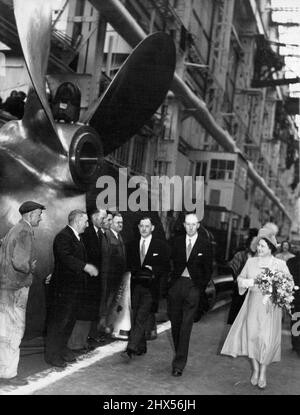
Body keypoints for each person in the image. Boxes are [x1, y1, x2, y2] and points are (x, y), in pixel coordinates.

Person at [221, 228, 290, 389]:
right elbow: (240, 278)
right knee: (251, 338)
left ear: (271, 248)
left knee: (266, 340)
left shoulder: (280, 264)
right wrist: (247, 282)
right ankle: (256, 369)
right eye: (258, 245)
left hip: (270, 309)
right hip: (252, 306)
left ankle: (263, 372)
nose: (259, 249)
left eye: (263, 246)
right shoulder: (251, 262)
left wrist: (278, 289)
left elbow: (289, 283)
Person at [44, 210, 98, 368]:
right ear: (78, 221)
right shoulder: (63, 236)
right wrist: (85, 266)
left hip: (73, 289)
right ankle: (52, 355)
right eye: (86, 222)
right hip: (63, 289)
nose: (87, 225)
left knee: (69, 321)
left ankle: (61, 349)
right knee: (59, 322)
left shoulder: (76, 237)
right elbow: (65, 257)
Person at [0, 200, 45, 386]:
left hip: (5, 287)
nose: (41, 218)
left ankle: (4, 370)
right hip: (17, 288)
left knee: (3, 330)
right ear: (30, 215)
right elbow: (20, 262)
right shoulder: (25, 231)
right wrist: (30, 268)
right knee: (14, 331)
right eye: (39, 215)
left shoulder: (13, 230)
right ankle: (9, 375)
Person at [167, 212, 212, 377]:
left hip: (193, 287)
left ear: (198, 225)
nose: (191, 227)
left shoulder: (205, 244)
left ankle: (179, 364)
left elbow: (208, 269)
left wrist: (199, 287)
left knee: (186, 326)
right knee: (176, 323)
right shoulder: (176, 242)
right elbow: (168, 262)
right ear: (184, 225)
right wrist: (170, 283)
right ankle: (179, 352)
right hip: (176, 286)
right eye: (188, 224)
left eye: (194, 224)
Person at [121, 216, 170, 360]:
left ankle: (131, 348)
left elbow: (166, 267)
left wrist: (153, 269)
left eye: (147, 226)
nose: (144, 229)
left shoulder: (161, 246)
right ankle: (141, 347)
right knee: (136, 316)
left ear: (152, 228)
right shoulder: (131, 245)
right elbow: (127, 264)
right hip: (135, 286)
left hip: (151, 288)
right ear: (138, 228)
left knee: (141, 317)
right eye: (141, 226)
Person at [67, 208, 107, 351]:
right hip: (86, 280)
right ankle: (76, 343)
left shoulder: (99, 234)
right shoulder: (87, 234)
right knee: (83, 313)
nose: (104, 220)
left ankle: (82, 341)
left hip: (94, 280)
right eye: (102, 217)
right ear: (94, 217)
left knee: (89, 312)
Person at [227, 228, 258, 324]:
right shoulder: (240, 255)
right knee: (237, 319)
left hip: (254, 292)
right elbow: (233, 269)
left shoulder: (260, 258)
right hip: (240, 290)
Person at [104, 212, 127, 334]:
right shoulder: (107, 236)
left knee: (113, 304)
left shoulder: (119, 236)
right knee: (107, 304)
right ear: (111, 223)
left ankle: (108, 327)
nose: (120, 225)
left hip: (117, 278)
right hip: (110, 278)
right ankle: (102, 328)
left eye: (122, 222)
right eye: (118, 222)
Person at [287, 252, 300, 357]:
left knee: (296, 319)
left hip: (295, 296)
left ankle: (296, 342)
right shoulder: (291, 262)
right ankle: (296, 343)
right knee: (296, 318)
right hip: (296, 296)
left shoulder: (291, 261)